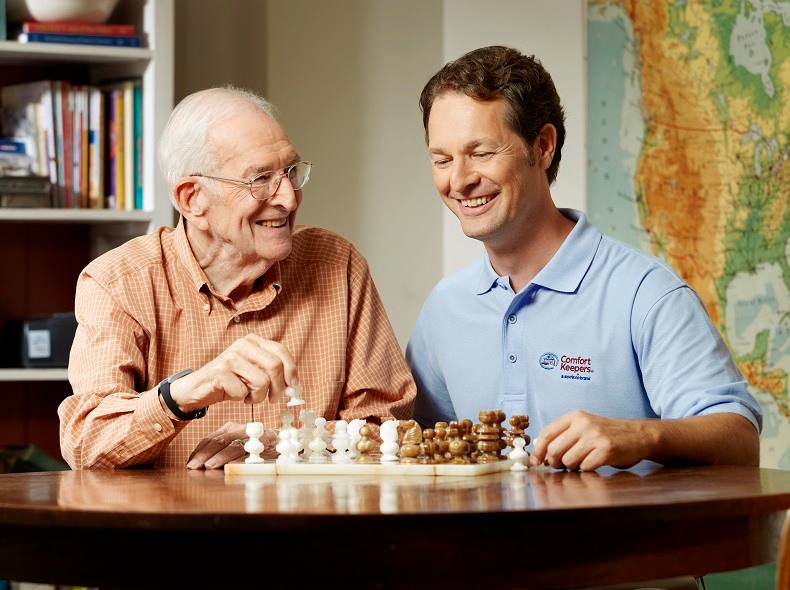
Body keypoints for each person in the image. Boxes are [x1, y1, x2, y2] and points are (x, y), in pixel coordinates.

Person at [405, 46, 761, 472]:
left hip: (621, 540)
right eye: (442, 160)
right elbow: (418, 453)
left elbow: (741, 441)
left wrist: (640, 435)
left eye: (481, 153)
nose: (459, 181)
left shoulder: (645, 294)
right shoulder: (444, 309)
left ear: (542, 147)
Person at [59, 85, 416, 469]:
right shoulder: (118, 282)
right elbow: (86, 444)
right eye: (260, 179)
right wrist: (183, 395)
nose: (289, 198)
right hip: (176, 526)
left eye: (290, 172)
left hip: (307, 525)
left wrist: (290, 444)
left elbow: (390, 428)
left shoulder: (338, 264)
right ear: (193, 199)